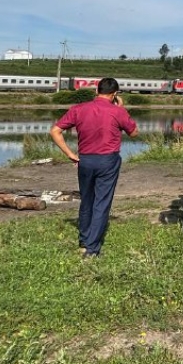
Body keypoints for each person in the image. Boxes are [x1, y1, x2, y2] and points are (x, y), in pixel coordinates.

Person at [49, 77, 139, 258]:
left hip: (85, 160)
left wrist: (70, 154)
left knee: (87, 199)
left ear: (96, 91)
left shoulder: (78, 109)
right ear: (115, 94)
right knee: (101, 202)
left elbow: (55, 131)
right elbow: (134, 133)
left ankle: (83, 239)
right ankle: (92, 249)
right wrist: (121, 109)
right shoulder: (117, 111)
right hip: (108, 161)